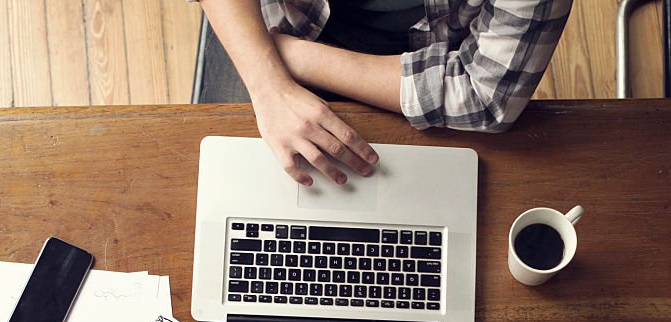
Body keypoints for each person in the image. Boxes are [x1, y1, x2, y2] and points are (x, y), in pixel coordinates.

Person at [197, 0, 572, 186]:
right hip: (271, 34)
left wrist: (292, 58)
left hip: (419, 72)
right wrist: (268, 84)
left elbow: (485, 97)